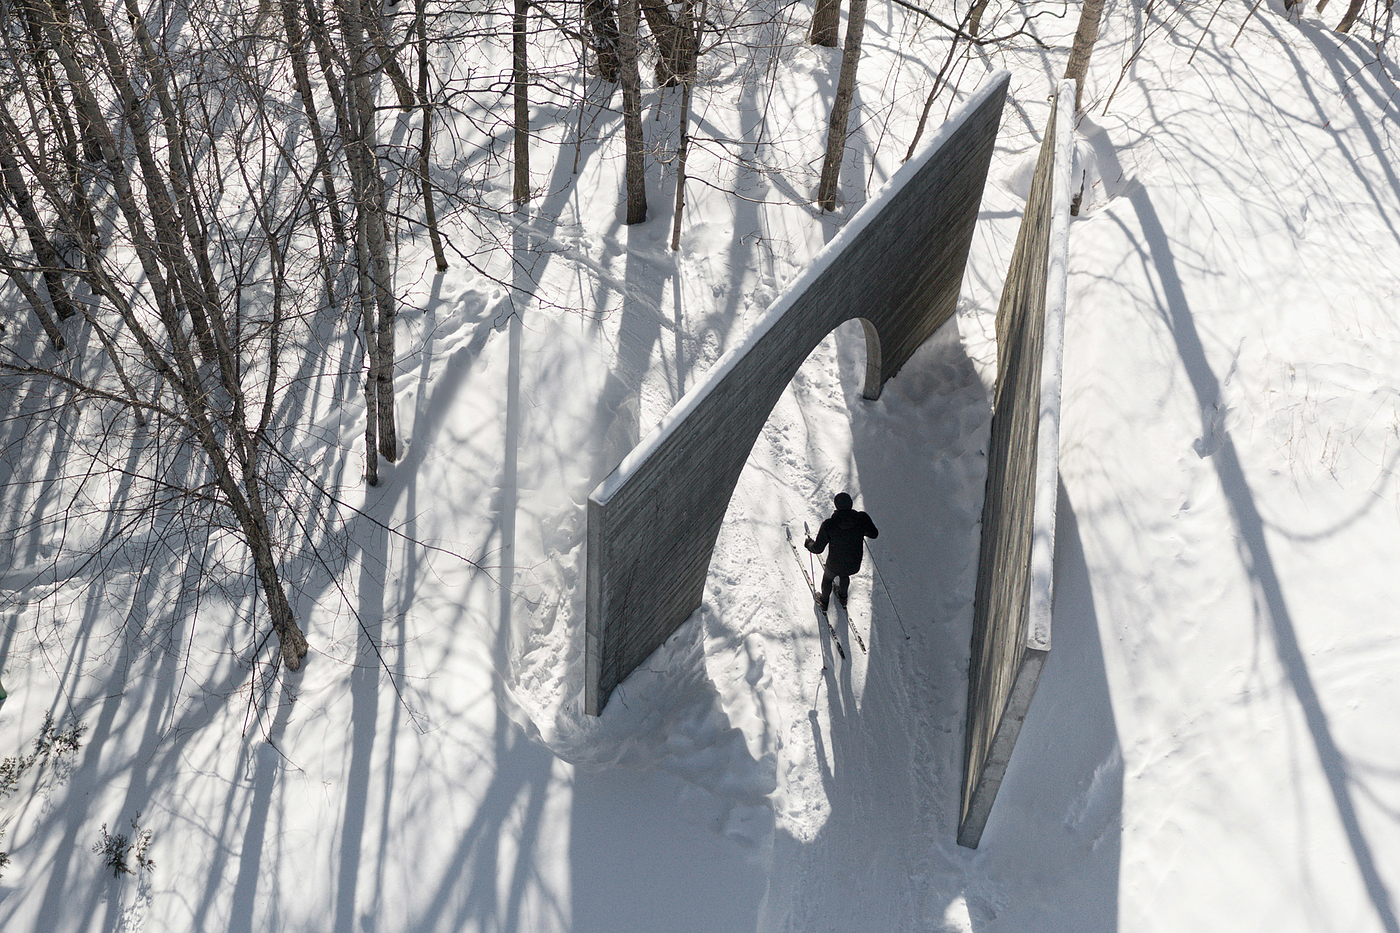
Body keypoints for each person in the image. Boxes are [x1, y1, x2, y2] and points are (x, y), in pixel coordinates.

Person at [805, 492, 879, 612]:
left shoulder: (829, 525)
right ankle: (843, 597)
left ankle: (824, 602)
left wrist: (809, 544)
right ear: (851, 504)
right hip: (853, 564)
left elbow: (818, 548)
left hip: (834, 564)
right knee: (844, 575)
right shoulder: (861, 519)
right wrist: (862, 530)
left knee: (828, 579)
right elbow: (874, 534)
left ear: (836, 506)